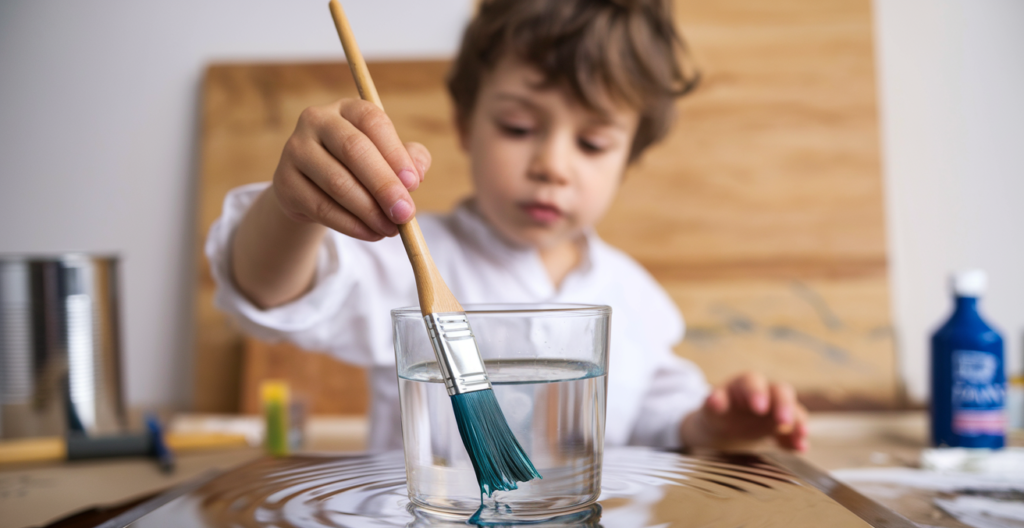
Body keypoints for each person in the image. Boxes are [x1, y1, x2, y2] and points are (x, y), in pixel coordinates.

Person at [206, 0, 809, 453]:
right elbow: (269, 293)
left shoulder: (636, 296)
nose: (551, 165)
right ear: (466, 123)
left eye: (594, 142)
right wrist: (291, 210)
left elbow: (658, 419)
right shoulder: (407, 260)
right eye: (519, 128)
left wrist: (712, 424)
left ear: (630, 157)